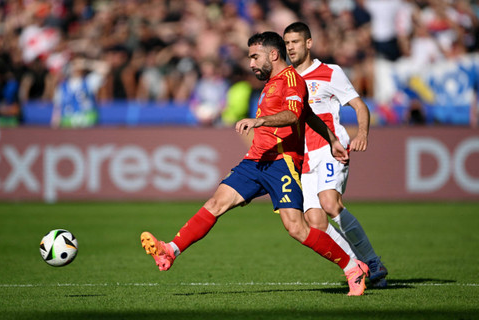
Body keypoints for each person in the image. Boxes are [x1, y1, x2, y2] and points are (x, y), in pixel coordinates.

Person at [141, 31, 369, 296]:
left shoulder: (292, 80)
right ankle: (170, 250)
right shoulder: (272, 83)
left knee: (296, 227)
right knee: (216, 203)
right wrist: (330, 139)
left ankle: (353, 267)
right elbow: (309, 114)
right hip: (257, 160)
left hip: (282, 161)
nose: (250, 63)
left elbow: (294, 116)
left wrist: (259, 121)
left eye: (254, 56)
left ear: (273, 54)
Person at [283, 22, 388, 287]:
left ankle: (372, 260)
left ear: (309, 43)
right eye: (286, 43)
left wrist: (362, 133)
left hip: (331, 148)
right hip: (305, 159)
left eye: (295, 42)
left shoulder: (330, 72)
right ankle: (359, 267)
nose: (290, 47)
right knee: (315, 223)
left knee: (330, 204)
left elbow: (359, 106)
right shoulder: (286, 80)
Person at [51, 55, 109, 128]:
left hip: (87, 120)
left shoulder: (89, 81)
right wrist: (55, 122)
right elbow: (58, 105)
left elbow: (105, 68)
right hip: (68, 121)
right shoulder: (62, 86)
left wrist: (85, 63)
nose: (75, 68)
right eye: (73, 64)